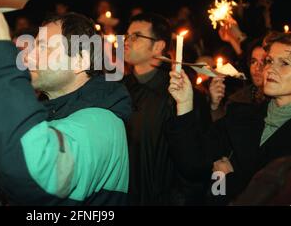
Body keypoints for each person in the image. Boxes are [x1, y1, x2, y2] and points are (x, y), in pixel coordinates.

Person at [0, 0, 131, 205]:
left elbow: (39, 174)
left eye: (42, 48)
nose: (27, 56)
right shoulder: (53, 112)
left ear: (80, 60)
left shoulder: (103, 122)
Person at [167, 31, 291, 204]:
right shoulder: (240, 116)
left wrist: (229, 180)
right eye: (269, 61)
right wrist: (185, 104)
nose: (270, 69)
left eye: (284, 63)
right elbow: (193, 163)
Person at [123, 12, 206, 205]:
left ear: (158, 46)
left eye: (136, 36)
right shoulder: (118, 90)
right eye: (127, 35)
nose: (127, 41)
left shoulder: (180, 95)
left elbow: (194, 164)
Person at [209, 39, 267, 121]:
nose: (257, 68)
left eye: (264, 62)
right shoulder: (237, 100)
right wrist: (215, 105)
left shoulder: (282, 100)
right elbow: (223, 129)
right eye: (253, 62)